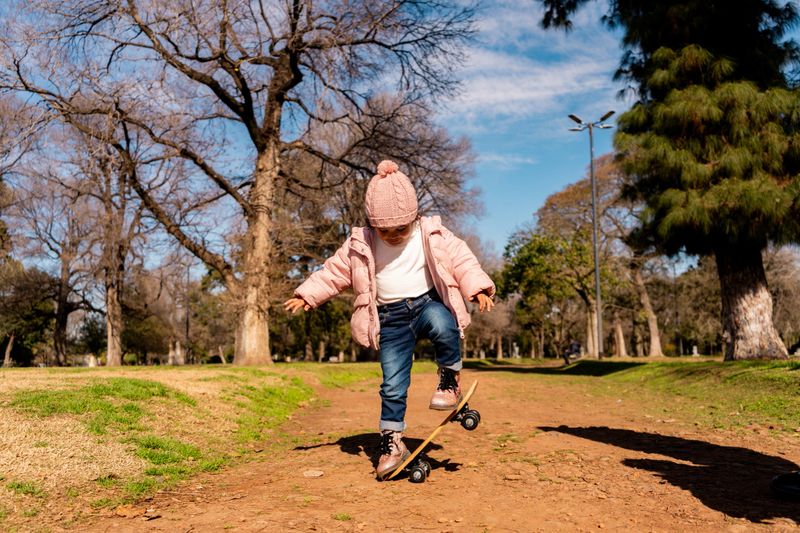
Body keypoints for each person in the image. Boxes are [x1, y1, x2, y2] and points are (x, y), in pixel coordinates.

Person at [284, 160, 495, 479]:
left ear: (414, 217)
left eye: (401, 228)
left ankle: (449, 379)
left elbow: (461, 259)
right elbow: (335, 271)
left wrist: (477, 288)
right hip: (389, 318)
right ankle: (392, 442)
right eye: (386, 230)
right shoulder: (361, 242)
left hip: (427, 303)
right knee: (393, 385)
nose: (394, 236)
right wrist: (308, 294)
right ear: (373, 223)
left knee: (444, 324)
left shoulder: (431, 232)